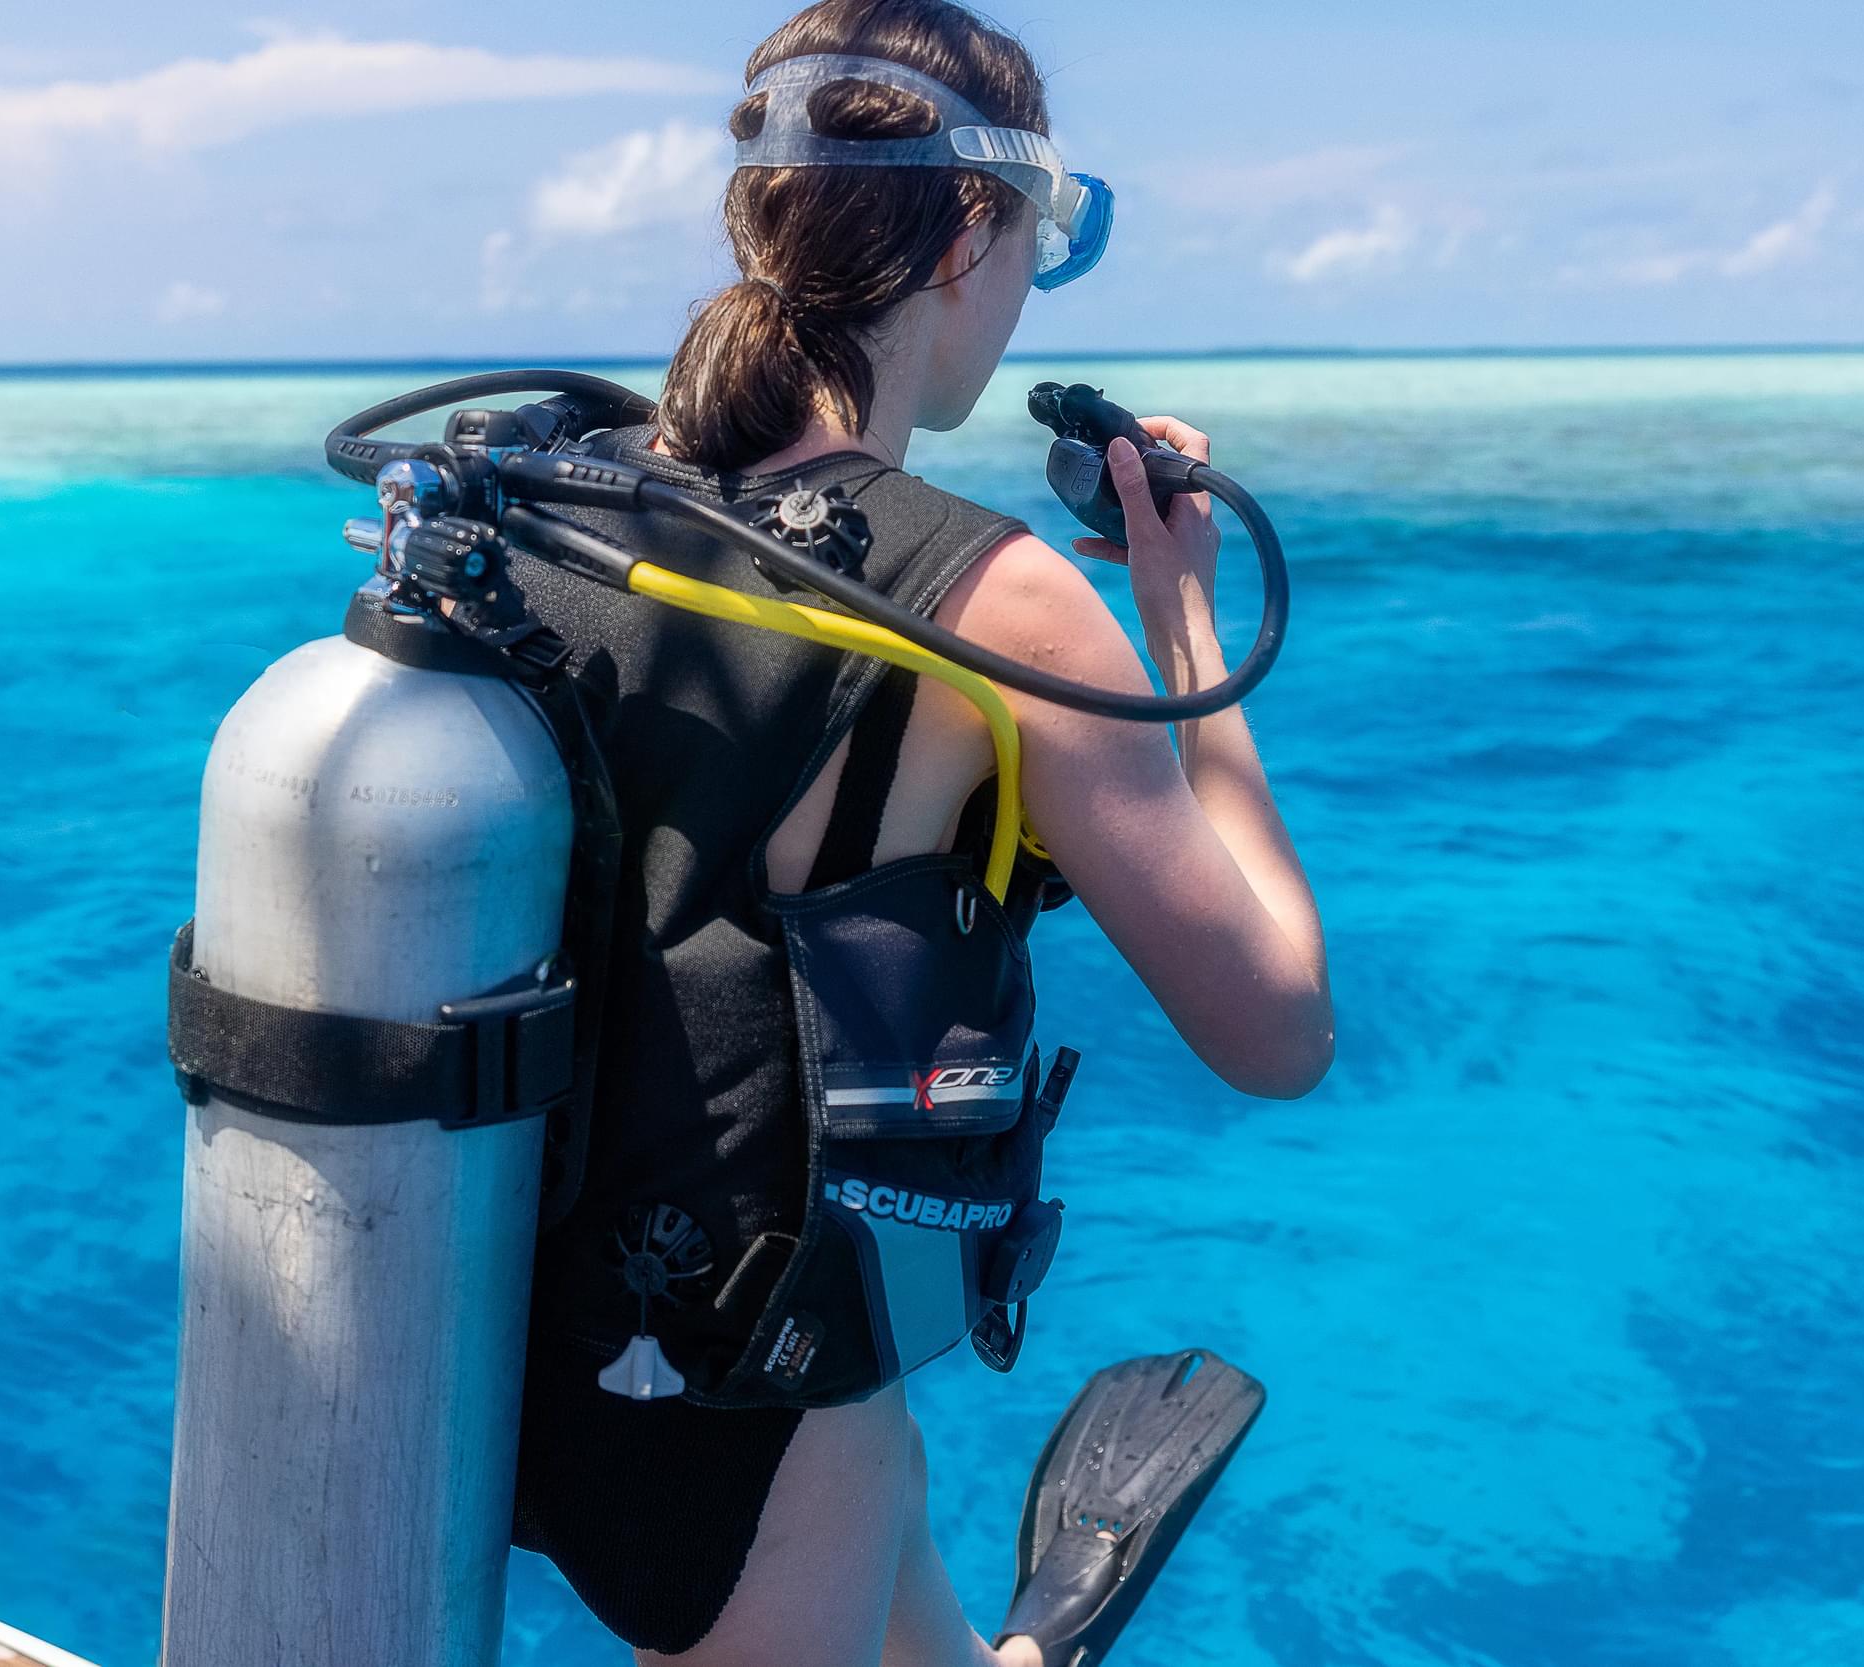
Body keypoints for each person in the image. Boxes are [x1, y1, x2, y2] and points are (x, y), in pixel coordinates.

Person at [503, 3, 1334, 1662]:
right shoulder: (990, 596)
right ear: (974, 226)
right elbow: (1276, 1028)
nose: (1026, 303)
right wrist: (1180, 625)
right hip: (757, 1383)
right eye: (1043, 245)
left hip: (520, 1317)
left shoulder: (569, 502)